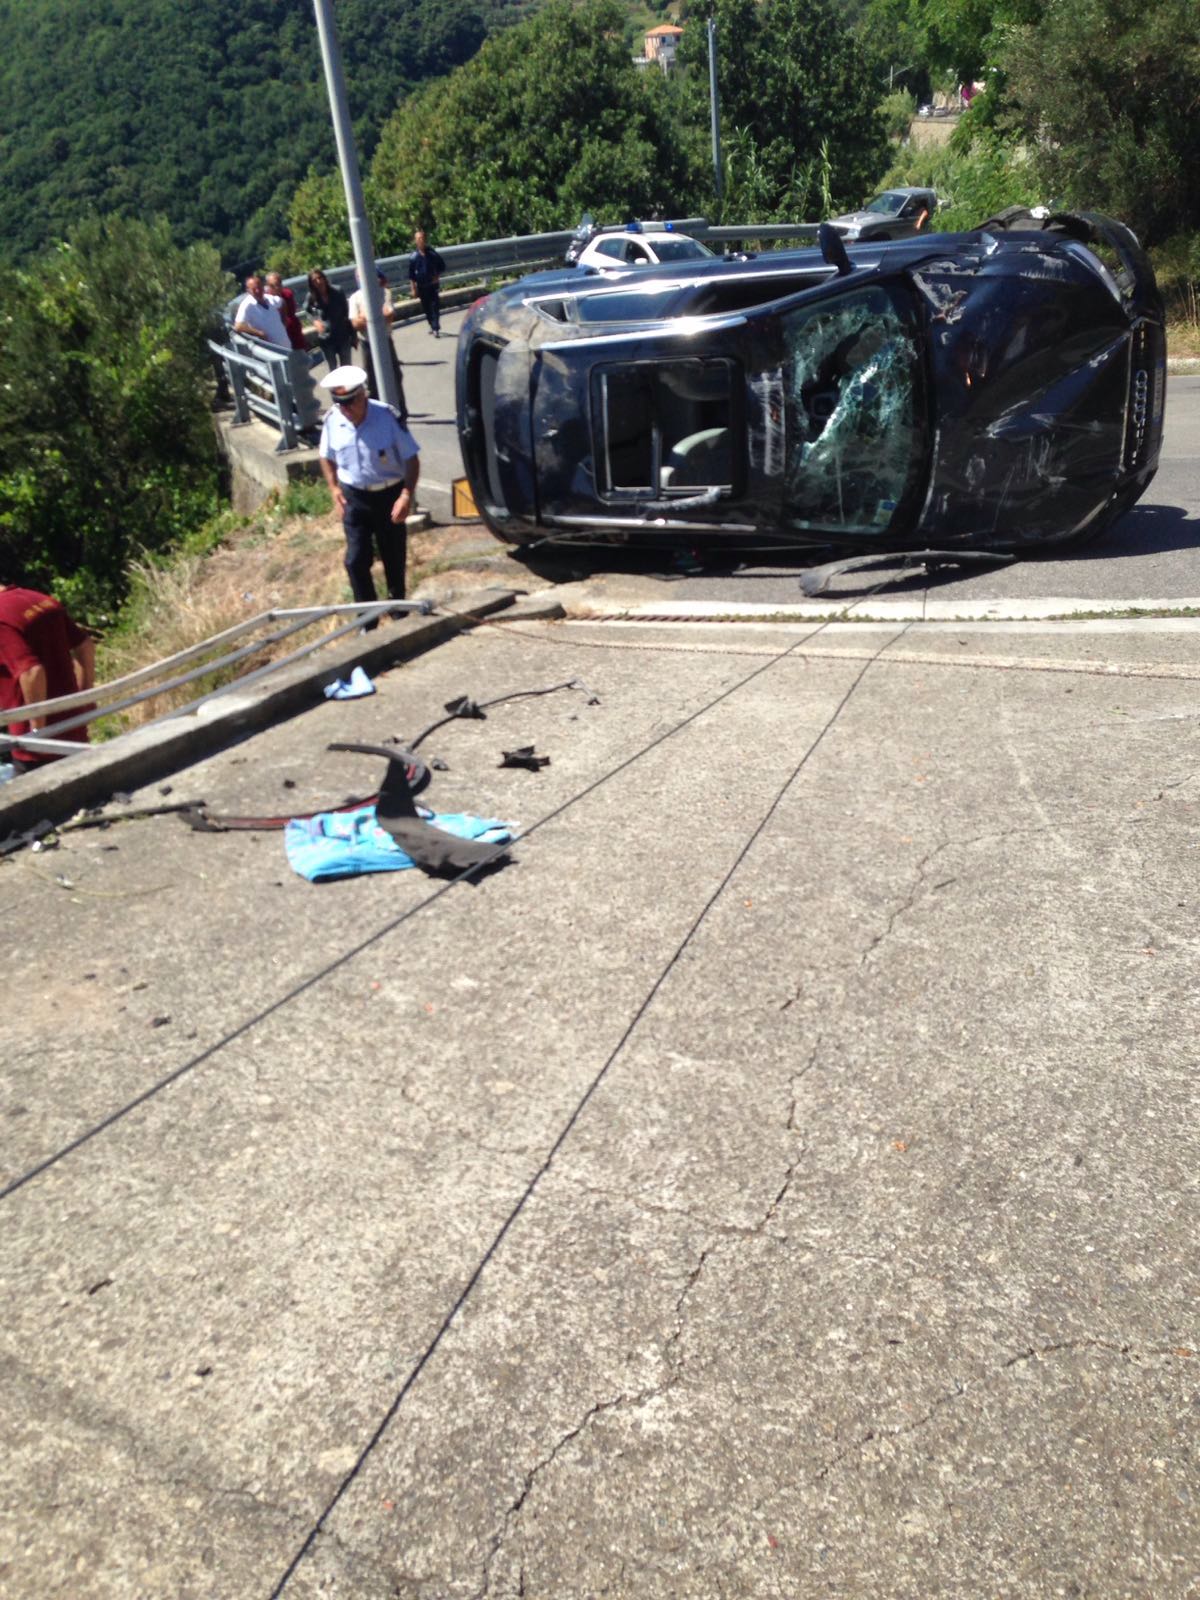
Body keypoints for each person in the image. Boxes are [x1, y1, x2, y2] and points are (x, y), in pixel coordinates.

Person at [317, 365, 420, 628]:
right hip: (355, 498)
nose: (346, 409)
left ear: (362, 395)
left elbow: (411, 459)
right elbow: (326, 456)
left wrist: (406, 495)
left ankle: (398, 611)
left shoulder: (386, 417)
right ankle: (368, 621)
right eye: (340, 404)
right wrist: (334, 489)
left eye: (350, 402)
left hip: (389, 494)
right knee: (355, 561)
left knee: (393, 556)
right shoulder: (333, 420)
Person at [0, 579, 96, 772]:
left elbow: (32, 671)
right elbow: (85, 646)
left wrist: (38, 731)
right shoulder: (39, 599)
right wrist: (85, 701)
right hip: (73, 732)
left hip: (36, 752)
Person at [232, 274, 321, 434]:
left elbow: (282, 303)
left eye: (259, 286)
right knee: (287, 387)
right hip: (272, 354)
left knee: (297, 383)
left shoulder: (270, 298)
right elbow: (238, 326)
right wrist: (257, 333)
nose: (258, 290)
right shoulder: (247, 305)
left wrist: (284, 318)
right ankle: (298, 421)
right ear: (248, 290)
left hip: (286, 349)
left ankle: (305, 418)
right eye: (254, 288)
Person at [348, 267, 408, 421]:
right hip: (367, 343)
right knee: (371, 379)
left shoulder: (384, 293)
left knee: (395, 374)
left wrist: (366, 318)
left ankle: (401, 411)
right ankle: (375, 414)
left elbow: (389, 316)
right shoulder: (354, 298)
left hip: (385, 340)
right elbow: (356, 324)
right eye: (358, 276)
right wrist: (375, 318)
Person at [304, 268, 353, 371]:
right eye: (314, 280)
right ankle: (338, 387)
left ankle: (350, 387)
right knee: (333, 368)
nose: (318, 282)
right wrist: (315, 321)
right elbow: (307, 311)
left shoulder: (337, 291)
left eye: (319, 278)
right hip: (326, 338)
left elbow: (347, 313)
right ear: (312, 284)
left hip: (342, 336)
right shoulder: (311, 297)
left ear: (324, 278)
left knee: (347, 367)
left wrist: (353, 335)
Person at [408, 229, 446, 338]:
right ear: (415, 241)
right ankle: (431, 324)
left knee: (435, 306)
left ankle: (436, 328)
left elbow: (442, 266)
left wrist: (437, 277)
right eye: (418, 238)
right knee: (426, 307)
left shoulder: (432, 254)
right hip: (422, 286)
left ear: (425, 239)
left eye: (422, 238)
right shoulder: (413, 257)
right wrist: (413, 289)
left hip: (432, 285)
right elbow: (411, 275)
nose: (420, 240)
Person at [265, 271, 308, 352]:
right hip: (279, 335)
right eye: (272, 286)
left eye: (278, 284)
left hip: (294, 331)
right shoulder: (266, 300)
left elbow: (292, 312)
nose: (276, 287)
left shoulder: (287, 294)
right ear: (268, 286)